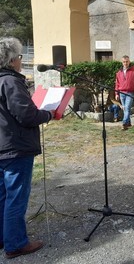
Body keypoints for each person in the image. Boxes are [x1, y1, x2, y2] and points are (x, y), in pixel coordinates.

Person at [0, 37, 54, 259]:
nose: (21, 61)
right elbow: (27, 115)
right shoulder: (11, 82)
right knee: (16, 197)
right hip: (15, 147)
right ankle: (15, 244)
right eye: (20, 57)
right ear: (13, 60)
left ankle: (4, 238)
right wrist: (49, 113)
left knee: (2, 196)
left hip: (3, 145)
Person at [115, 55, 134, 130]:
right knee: (125, 108)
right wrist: (117, 94)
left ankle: (124, 123)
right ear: (122, 62)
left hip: (130, 92)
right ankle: (129, 123)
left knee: (127, 107)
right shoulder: (119, 72)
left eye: (127, 61)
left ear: (129, 62)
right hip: (121, 92)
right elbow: (117, 84)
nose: (125, 63)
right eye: (124, 62)